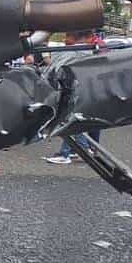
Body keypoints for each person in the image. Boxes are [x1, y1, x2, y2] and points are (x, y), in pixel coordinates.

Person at [44, 30, 107, 165]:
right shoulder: (96, 48)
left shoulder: (81, 51)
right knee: (88, 121)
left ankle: (69, 152)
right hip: (93, 91)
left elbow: (62, 69)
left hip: (80, 90)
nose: (66, 40)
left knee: (72, 120)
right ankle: (87, 149)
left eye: (68, 36)